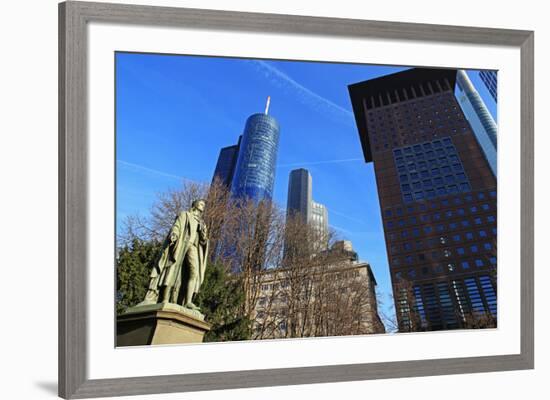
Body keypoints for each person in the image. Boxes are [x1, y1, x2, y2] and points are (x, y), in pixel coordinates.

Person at [141, 199, 209, 310]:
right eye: (201, 204)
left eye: (204, 205)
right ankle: (165, 298)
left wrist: (203, 233)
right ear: (195, 205)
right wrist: (174, 234)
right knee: (172, 270)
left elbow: (203, 240)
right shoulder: (185, 214)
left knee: (194, 273)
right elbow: (177, 226)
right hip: (182, 244)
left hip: (193, 247)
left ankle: (188, 301)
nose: (203, 206)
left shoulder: (201, 222)